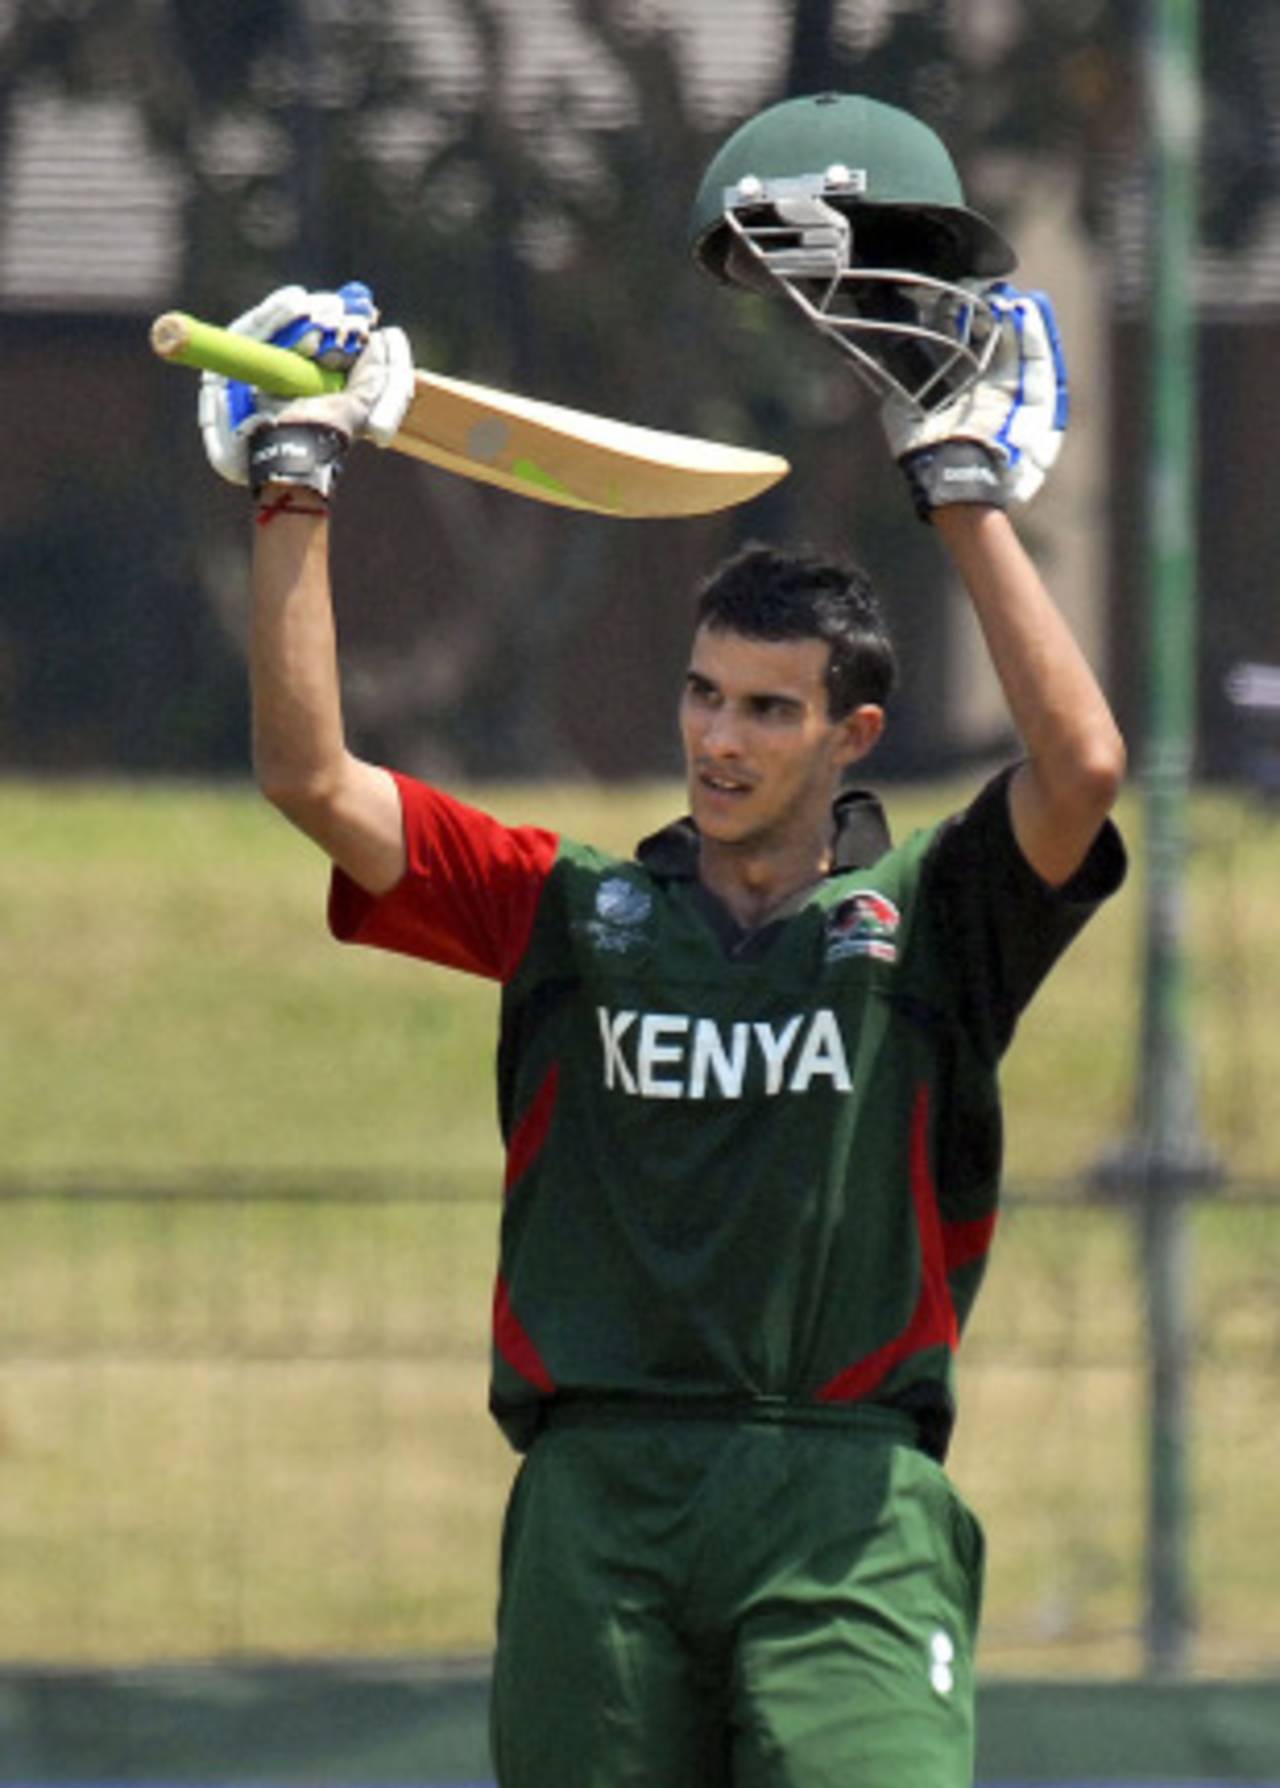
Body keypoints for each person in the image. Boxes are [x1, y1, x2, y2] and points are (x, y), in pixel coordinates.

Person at [198, 198, 1125, 1785]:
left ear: (854, 735)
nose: (720, 738)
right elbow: (309, 778)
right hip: (597, 1503)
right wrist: (297, 481)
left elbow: (1085, 765)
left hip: (845, 1508)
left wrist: (962, 486)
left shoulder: (933, 919)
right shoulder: (577, 910)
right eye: (704, 694)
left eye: (769, 709)